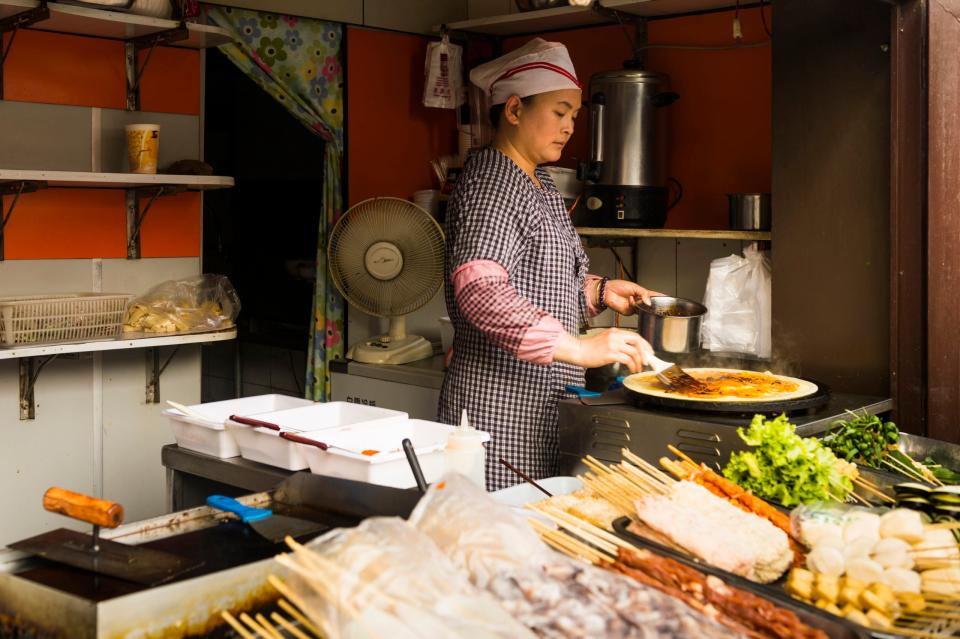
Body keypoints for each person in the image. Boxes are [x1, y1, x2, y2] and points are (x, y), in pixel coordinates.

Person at [438, 38, 661, 491]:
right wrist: (581, 348)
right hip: (497, 415)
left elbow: (540, 280)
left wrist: (600, 293)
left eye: (574, 117)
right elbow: (482, 294)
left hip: (541, 407)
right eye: (559, 112)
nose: (568, 128)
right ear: (515, 110)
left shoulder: (537, 182)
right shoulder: (492, 185)